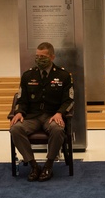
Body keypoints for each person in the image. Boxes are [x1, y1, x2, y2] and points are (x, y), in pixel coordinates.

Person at [9, 42, 74, 182]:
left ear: (52, 57)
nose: (39, 59)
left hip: (52, 116)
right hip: (32, 117)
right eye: (37, 56)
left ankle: (48, 165)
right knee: (15, 129)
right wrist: (19, 112)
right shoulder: (28, 75)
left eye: (43, 56)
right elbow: (22, 99)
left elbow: (69, 100)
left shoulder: (63, 76)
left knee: (57, 130)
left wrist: (60, 113)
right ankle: (34, 166)